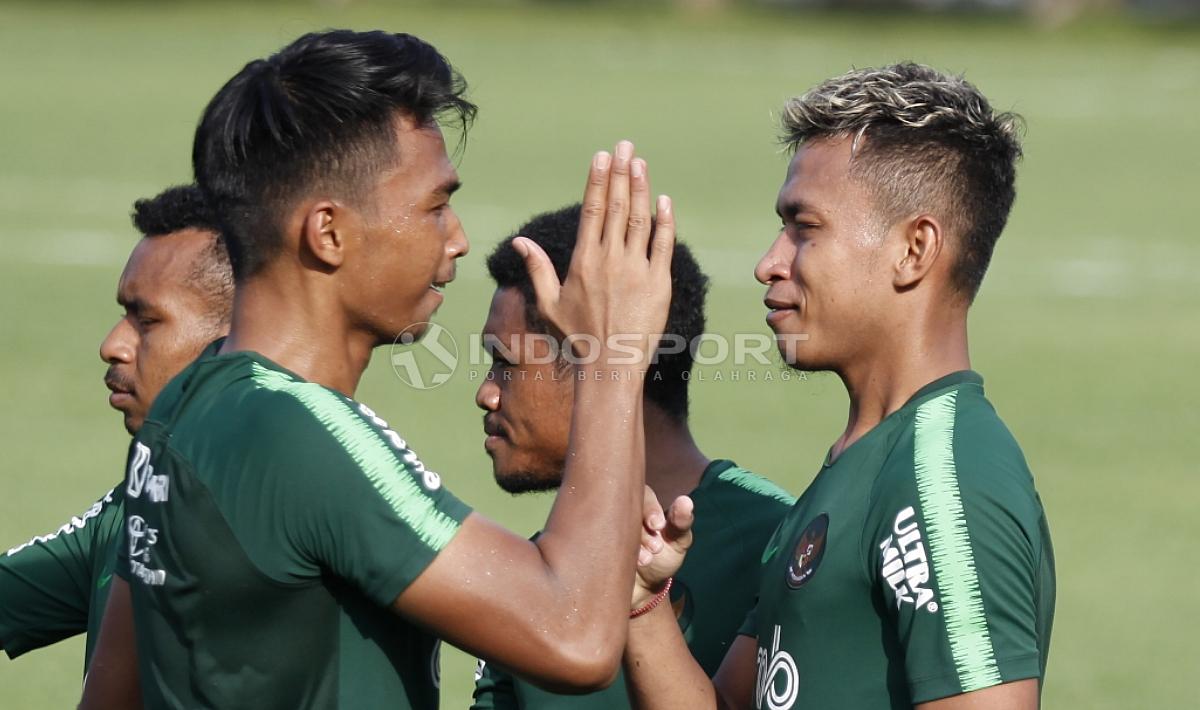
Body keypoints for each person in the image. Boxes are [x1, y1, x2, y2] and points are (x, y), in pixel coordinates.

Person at [82, 30, 675, 710]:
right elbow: (573, 640)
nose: (455, 239)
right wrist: (611, 355)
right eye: (434, 206)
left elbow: (112, 692)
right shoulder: (297, 435)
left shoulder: (187, 401)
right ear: (327, 233)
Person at [624, 63, 1055, 710]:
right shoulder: (859, 464)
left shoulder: (947, 476)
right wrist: (646, 604)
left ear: (914, 250)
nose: (769, 262)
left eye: (805, 227)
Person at [471, 204, 795, 710]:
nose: (487, 394)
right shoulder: (534, 577)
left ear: (603, 362)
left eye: (505, 363)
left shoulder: (782, 545)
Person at [0, 185, 231, 672]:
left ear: (236, 333)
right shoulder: (140, 500)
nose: (112, 345)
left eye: (146, 321)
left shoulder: (313, 478)